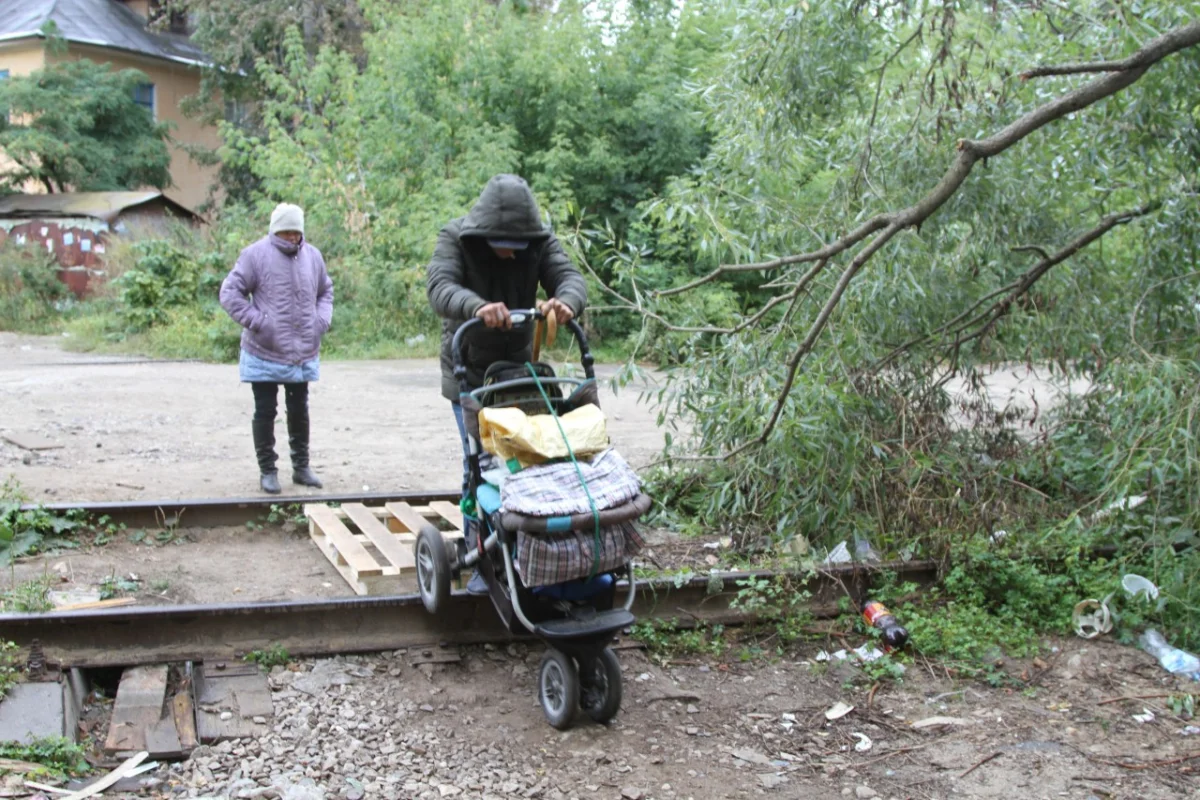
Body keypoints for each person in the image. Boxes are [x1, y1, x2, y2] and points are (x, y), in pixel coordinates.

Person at [427, 174, 587, 593]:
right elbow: (440, 287)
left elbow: (568, 277)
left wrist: (565, 302)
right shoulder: (455, 237)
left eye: (520, 246)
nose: (513, 253)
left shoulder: (539, 240)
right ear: (483, 233)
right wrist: (476, 307)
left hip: (519, 373)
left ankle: (528, 553)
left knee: (529, 457)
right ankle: (481, 555)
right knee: (480, 464)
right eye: (504, 245)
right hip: (469, 372)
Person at [219, 203, 333, 494]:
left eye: (296, 232)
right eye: (286, 232)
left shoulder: (313, 256)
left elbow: (325, 291)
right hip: (264, 349)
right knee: (265, 410)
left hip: (302, 350)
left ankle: (301, 468)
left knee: (299, 409)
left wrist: (321, 321)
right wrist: (258, 322)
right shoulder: (254, 255)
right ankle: (268, 471)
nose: (292, 237)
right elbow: (229, 292)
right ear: (274, 230)